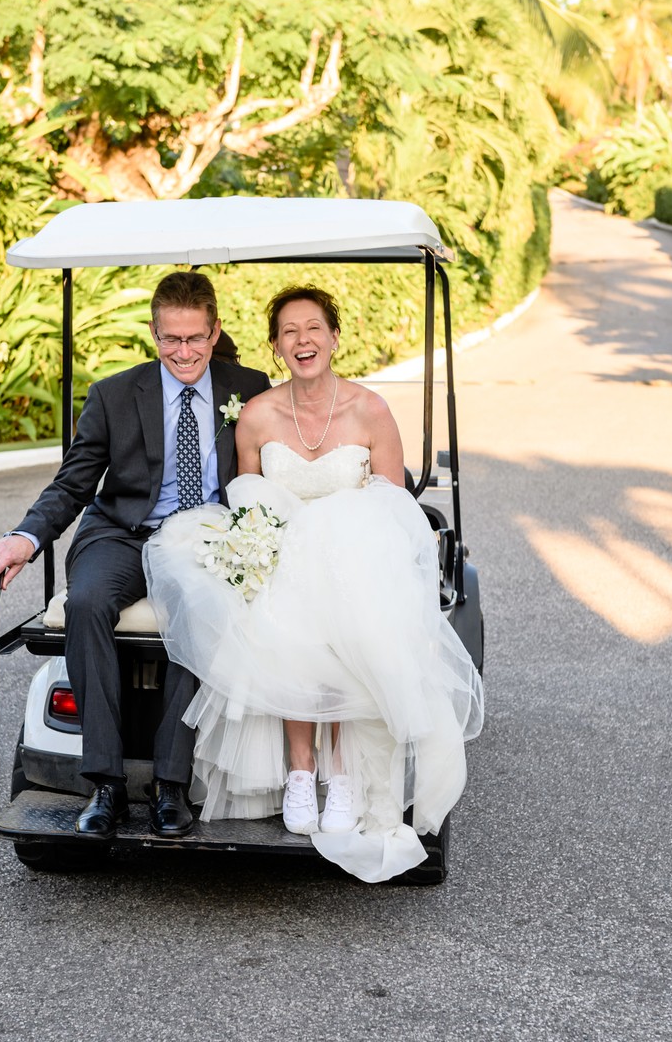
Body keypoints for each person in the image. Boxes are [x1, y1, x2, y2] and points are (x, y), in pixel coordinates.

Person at [144, 285, 484, 882]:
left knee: (345, 602)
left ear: (334, 337)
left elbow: (395, 512)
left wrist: (334, 544)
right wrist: (263, 548)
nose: (302, 341)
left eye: (313, 329)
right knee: (285, 602)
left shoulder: (370, 410)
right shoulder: (257, 415)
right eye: (289, 332)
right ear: (276, 347)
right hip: (280, 560)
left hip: (357, 564)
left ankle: (344, 773)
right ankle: (302, 770)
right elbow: (248, 503)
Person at [0, 271, 271, 839]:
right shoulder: (113, 394)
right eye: (171, 339)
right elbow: (73, 484)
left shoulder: (250, 387)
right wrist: (27, 537)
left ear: (214, 332)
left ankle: (170, 784)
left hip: (205, 541)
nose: (183, 352)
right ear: (154, 333)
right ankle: (105, 783)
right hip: (122, 533)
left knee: (203, 608)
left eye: (195, 338)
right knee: (86, 601)